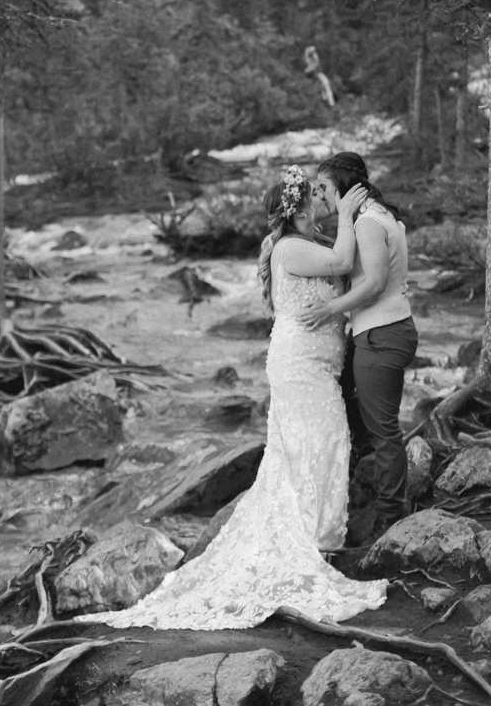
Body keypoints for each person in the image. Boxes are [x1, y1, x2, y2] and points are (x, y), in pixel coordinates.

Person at [76, 165, 388, 630]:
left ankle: (319, 535)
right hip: (300, 365)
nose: (315, 209)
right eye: (308, 203)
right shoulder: (290, 248)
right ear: (293, 211)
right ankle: (311, 539)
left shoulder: (305, 245)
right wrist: (347, 212)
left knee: (319, 443)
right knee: (318, 441)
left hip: (318, 365)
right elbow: (344, 264)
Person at [300, 152, 417, 539]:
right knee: (352, 417)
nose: (321, 196)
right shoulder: (378, 216)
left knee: (383, 432)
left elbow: (374, 283)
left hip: (382, 335)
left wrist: (330, 308)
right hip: (378, 333)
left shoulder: (368, 222)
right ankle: (361, 493)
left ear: (345, 188)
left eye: (325, 189)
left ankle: (391, 517)